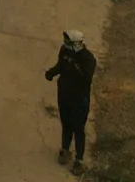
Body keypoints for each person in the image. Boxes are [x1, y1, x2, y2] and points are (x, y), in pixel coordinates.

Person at [45, 29, 98, 173]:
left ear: (78, 44)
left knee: (78, 128)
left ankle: (79, 160)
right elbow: (60, 65)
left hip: (79, 98)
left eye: (68, 41)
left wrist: (76, 65)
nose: (65, 44)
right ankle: (65, 149)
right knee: (66, 123)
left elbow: (87, 78)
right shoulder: (65, 51)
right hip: (64, 94)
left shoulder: (88, 59)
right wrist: (51, 73)